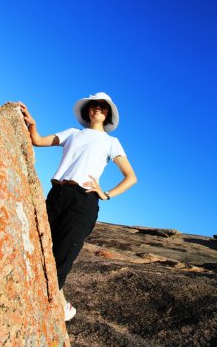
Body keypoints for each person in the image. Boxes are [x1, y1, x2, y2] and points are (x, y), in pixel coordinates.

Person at [19, 92, 137, 321]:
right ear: (87, 110)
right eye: (94, 105)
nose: (98, 108)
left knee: (63, 254)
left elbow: (131, 177)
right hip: (57, 194)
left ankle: (55, 307)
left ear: (108, 113)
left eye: (103, 106)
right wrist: (33, 124)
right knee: (41, 248)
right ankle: (58, 301)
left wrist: (107, 194)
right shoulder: (72, 133)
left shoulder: (112, 142)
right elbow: (38, 141)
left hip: (83, 201)